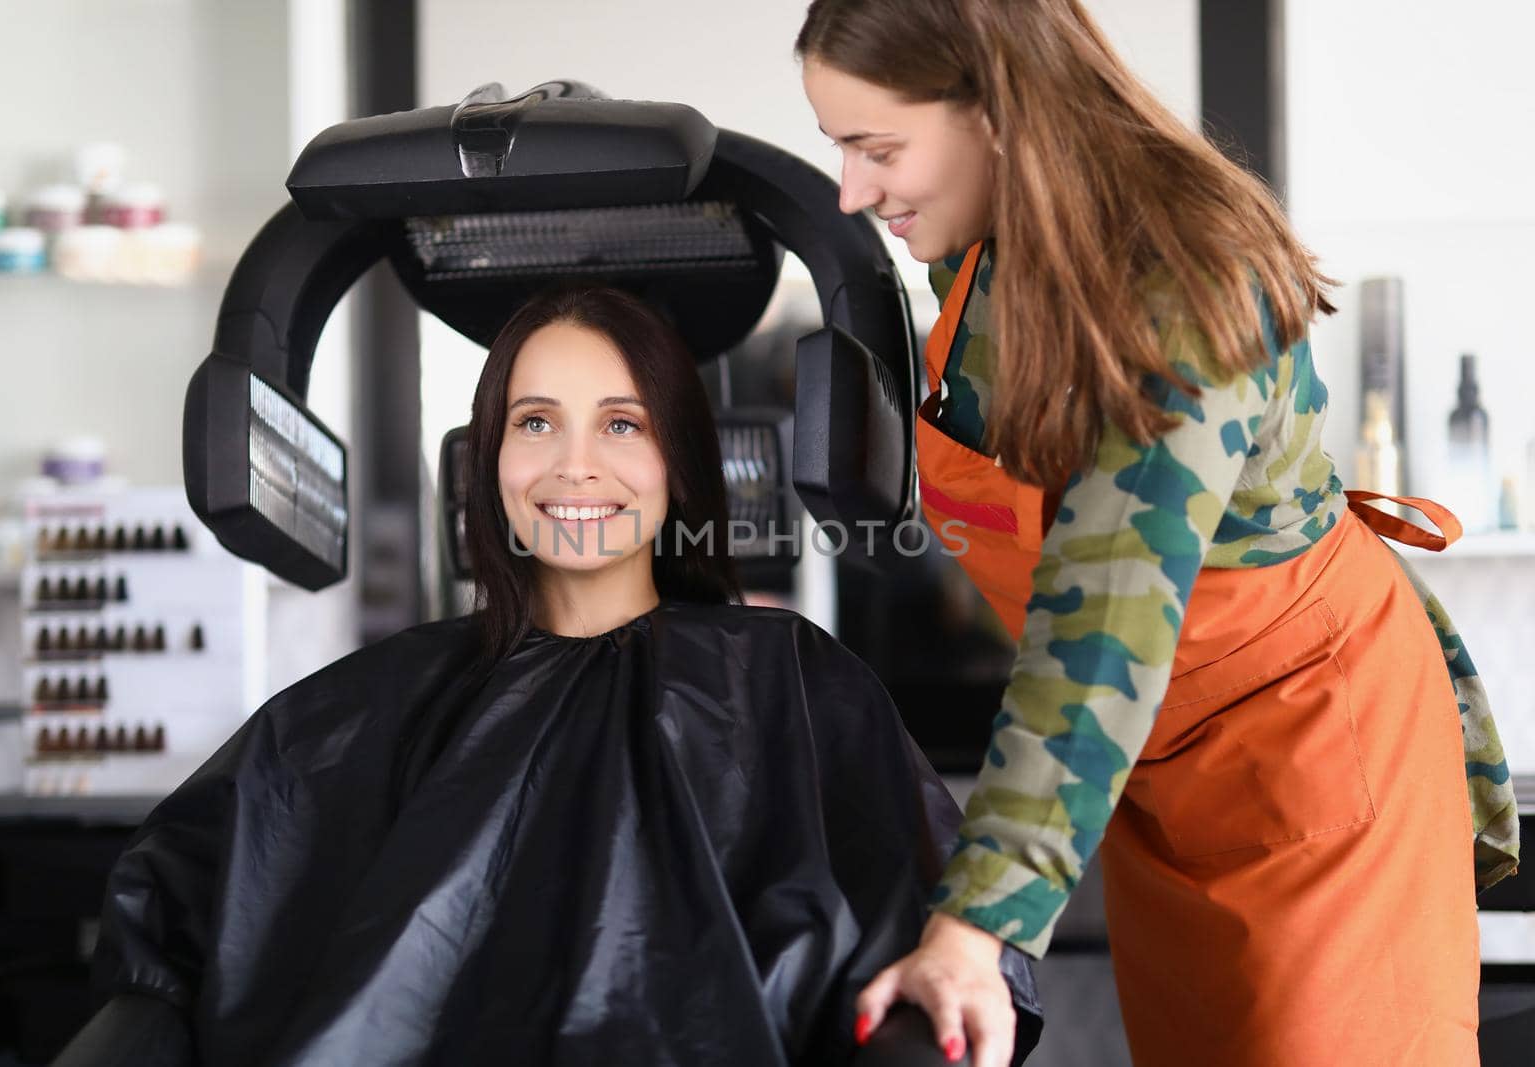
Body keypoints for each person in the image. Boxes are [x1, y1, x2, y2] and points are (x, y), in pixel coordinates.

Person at [795, 2, 1519, 1065]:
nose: (854, 192)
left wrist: (974, 929)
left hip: (1311, 758)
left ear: (998, 110)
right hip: (1157, 773)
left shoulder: (1186, 281)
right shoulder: (981, 255)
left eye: (878, 148)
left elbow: (1101, 626)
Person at [82, 285, 1043, 1066]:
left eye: (622, 425)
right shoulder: (366, 707)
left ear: (679, 459)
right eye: (536, 421)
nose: (574, 466)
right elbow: (177, 925)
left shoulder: (790, 687)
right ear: (489, 457)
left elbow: (940, 949)